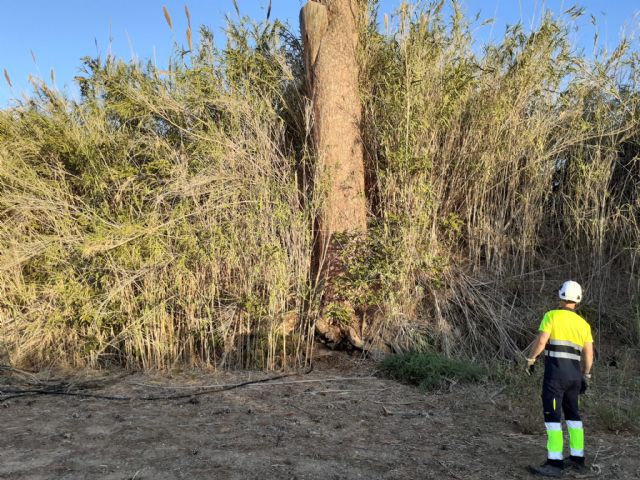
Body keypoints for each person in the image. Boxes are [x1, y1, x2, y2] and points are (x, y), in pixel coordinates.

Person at [526, 280, 594, 477]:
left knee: (553, 417)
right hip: (575, 378)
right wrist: (586, 375)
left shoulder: (551, 316)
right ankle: (577, 458)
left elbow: (541, 341)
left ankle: (554, 463)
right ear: (578, 300)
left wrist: (531, 359)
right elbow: (588, 354)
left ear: (561, 296)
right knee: (574, 416)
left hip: (555, 377)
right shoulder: (584, 324)